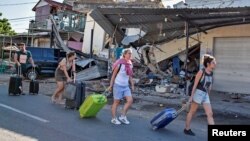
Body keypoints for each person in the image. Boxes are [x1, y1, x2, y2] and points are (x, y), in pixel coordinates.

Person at [184, 54, 216, 136]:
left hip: (205, 94)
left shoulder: (211, 72)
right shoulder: (201, 71)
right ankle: (187, 129)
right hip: (198, 93)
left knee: (210, 114)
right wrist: (191, 97)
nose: (215, 63)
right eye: (213, 62)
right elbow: (195, 85)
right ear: (208, 64)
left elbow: (209, 85)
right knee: (192, 111)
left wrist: (208, 95)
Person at [108, 48, 134, 125]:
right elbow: (113, 75)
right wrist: (111, 85)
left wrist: (132, 84)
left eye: (130, 54)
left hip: (126, 86)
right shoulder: (120, 64)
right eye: (128, 53)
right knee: (116, 102)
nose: (130, 55)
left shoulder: (130, 64)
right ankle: (113, 118)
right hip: (118, 85)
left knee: (130, 101)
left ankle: (122, 116)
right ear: (124, 54)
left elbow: (130, 75)